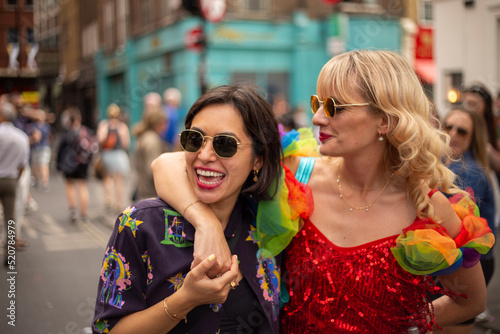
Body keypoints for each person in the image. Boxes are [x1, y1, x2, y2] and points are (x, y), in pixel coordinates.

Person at [151, 50, 495, 332]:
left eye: (334, 107)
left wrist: (406, 326)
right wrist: (206, 223)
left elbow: (472, 301)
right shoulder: (294, 174)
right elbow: (167, 164)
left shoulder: (428, 208)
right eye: (318, 103)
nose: (317, 118)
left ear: (385, 120)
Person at [92, 85, 310, 333]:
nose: (205, 155)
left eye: (225, 144)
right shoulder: (139, 224)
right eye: (194, 139)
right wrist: (186, 299)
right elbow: (106, 329)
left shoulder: (267, 224)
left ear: (258, 158)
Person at [442, 107, 496, 332]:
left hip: (469, 262)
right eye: (449, 127)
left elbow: (456, 225)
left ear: (473, 139)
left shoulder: (469, 171)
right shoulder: (444, 162)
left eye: (462, 131)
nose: (453, 134)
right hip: (455, 258)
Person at [56, 106, 98, 223]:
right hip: (83, 164)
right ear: (79, 118)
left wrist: (58, 166)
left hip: (69, 165)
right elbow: (93, 147)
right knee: (82, 186)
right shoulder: (86, 131)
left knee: (69, 185)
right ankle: (84, 214)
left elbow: (60, 151)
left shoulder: (66, 133)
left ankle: (73, 210)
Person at [0, 102, 30, 265]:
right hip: (11, 180)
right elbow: (22, 165)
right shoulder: (21, 137)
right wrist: (15, 179)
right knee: (10, 219)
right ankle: (9, 256)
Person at [96, 103, 131, 212]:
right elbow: (126, 144)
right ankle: (118, 203)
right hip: (119, 155)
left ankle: (109, 199)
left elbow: (100, 140)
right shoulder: (122, 126)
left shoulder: (104, 125)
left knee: (107, 178)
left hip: (107, 154)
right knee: (119, 180)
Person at [132, 108, 170, 200]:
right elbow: (152, 169)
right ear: (159, 124)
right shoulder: (152, 141)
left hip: (144, 188)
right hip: (150, 192)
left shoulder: (145, 136)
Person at [28, 108, 52, 192]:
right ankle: (39, 180)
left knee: (42, 165)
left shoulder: (41, 126)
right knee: (38, 166)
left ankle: (43, 182)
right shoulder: (35, 126)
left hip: (42, 147)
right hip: (39, 147)